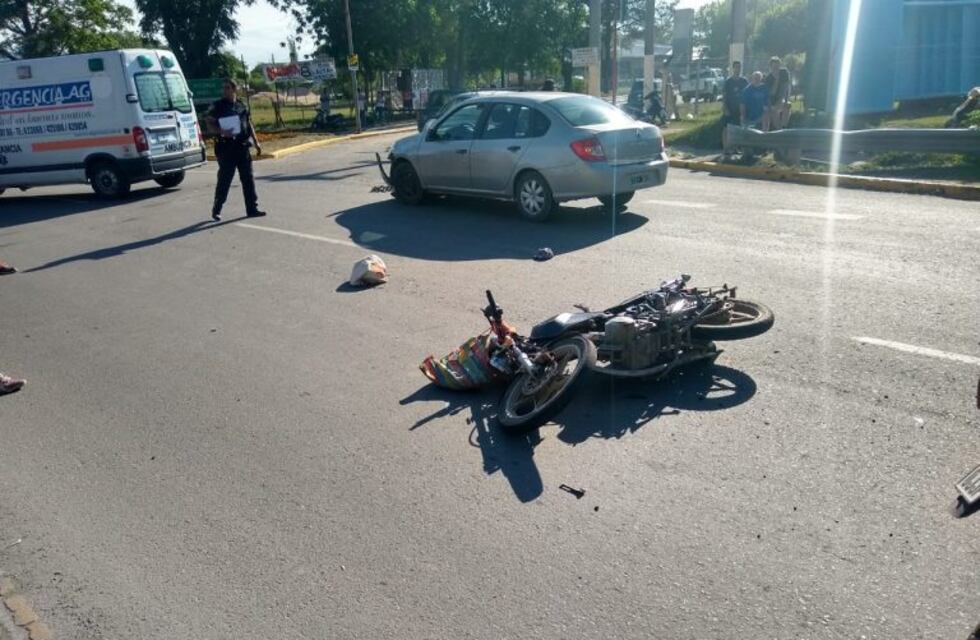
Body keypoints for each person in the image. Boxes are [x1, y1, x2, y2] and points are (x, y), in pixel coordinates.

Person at [205, 79, 265, 221]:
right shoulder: (218, 105)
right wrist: (221, 131)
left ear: (234, 89)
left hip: (242, 147)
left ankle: (252, 208)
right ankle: (217, 209)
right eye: (223, 88)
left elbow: (248, 123)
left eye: (227, 88)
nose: (224, 91)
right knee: (225, 180)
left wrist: (256, 142)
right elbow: (208, 121)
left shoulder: (241, 105)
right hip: (226, 148)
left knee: (248, 179)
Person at [721, 61, 749, 149]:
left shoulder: (744, 81)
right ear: (733, 68)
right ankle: (726, 147)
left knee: (739, 129)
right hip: (730, 108)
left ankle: (737, 148)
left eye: (739, 67)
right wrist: (725, 108)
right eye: (736, 67)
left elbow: (747, 95)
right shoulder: (728, 82)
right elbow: (724, 96)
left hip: (740, 109)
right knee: (726, 128)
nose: (738, 69)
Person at [764, 57, 790, 131]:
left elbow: (786, 88)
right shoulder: (768, 78)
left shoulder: (784, 72)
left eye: (777, 66)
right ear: (771, 67)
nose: (776, 68)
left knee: (787, 106)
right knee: (774, 110)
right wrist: (777, 79)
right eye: (774, 67)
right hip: (771, 100)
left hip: (781, 98)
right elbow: (772, 93)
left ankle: (784, 127)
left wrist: (785, 100)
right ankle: (779, 130)